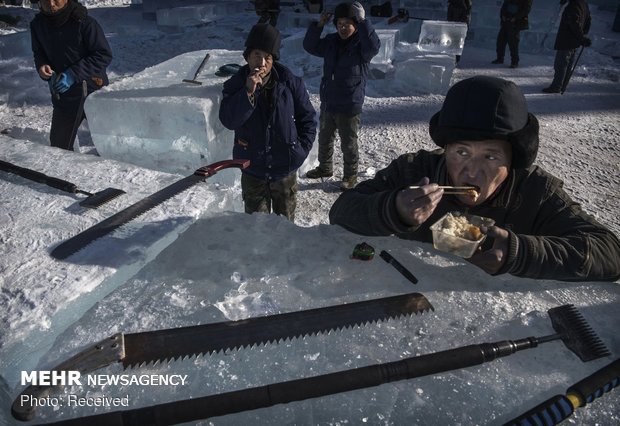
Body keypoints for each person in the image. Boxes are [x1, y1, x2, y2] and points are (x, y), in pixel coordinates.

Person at [329, 76, 620, 282]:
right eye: (462, 152)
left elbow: (609, 253)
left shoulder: (535, 192)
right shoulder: (414, 170)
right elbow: (341, 211)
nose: (471, 172)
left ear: (513, 159)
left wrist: (519, 253)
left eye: (491, 156)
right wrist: (393, 210)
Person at [219, 23, 316, 222]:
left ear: (273, 60)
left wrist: (299, 151)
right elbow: (229, 120)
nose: (262, 62)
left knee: (285, 228)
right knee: (257, 231)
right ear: (247, 57)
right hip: (253, 170)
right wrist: (247, 92)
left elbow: (308, 119)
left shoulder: (290, 83)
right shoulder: (235, 85)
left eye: (268, 57)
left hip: (284, 169)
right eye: (256, 55)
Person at [303, 1, 380, 190]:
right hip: (329, 99)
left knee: (348, 142)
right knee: (325, 137)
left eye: (348, 24)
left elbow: (374, 46)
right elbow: (310, 46)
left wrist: (363, 21)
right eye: (339, 24)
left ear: (356, 25)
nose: (343, 28)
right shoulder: (330, 42)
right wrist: (319, 25)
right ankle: (325, 167)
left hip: (349, 101)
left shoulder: (362, 46)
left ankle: (350, 175)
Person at [30, 0, 112, 151]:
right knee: (59, 147)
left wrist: (73, 74)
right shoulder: (37, 25)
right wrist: (42, 67)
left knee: (112, 143)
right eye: (46, 1)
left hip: (93, 89)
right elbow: (39, 52)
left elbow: (103, 55)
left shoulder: (84, 22)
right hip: (63, 93)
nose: (52, 4)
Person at [542, 0, 591, 94]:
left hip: (567, 40)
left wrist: (581, 37)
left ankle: (556, 87)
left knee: (561, 65)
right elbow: (588, 21)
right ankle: (562, 85)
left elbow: (574, 23)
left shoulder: (574, 5)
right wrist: (582, 36)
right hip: (574, 41)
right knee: (567, 65)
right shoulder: (584, 4)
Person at [491, 0, 531, 68]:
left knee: (513, 43)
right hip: (506, 21)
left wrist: (515, 17)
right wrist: (503, 15)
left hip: (515, 23)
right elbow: (504, 5)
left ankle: (514, 62)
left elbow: (526, 10)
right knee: (500, 41)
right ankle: (500, 58)